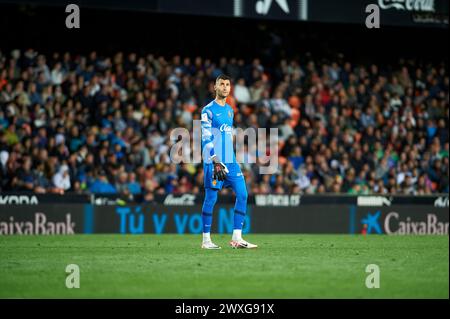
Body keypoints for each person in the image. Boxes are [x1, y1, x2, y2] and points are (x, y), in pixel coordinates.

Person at [200, 74, 257, 249]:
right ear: (215, 87)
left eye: (227, 84)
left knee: (243, 194)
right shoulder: (207, 110)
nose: (225, 87)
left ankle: (237, 238)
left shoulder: (230, 110)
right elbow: (206, 138)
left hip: (230, 161)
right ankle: (206, 241)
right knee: (211, 199)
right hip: (213, 162)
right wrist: (215, 160)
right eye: (221, 84)